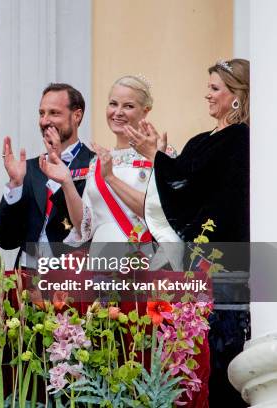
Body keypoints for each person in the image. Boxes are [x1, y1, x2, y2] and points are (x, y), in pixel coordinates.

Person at [126, 59, 250, 408]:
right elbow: (181, 185)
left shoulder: (240, 141)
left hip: (226, 265)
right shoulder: (200, 141)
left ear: (237, 95)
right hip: (192, 263)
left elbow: (196, 191)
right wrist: (158, 158)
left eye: (214, 88)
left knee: (223, 355)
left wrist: (156, 157)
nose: (206, 95)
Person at [40, 76, 157, 246]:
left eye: (128, 106)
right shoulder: (98, 162)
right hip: (101, 261)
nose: (118, 112)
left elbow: (159, 212)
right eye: (113, 104)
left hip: (143, 261)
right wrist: (66, 181)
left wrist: (110, 178)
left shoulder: (160, 155)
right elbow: (84, 226)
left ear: (145, 111)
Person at [0, 83, 94, 266]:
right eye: (41, 113)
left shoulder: (96, 165)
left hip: (72, 278)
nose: (44, 121)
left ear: (76, 116)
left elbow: (90, 232)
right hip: (25, 276)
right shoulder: (29, 168)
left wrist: (61, 179)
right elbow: (4, 240)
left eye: (54, 113)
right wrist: (15, 186)